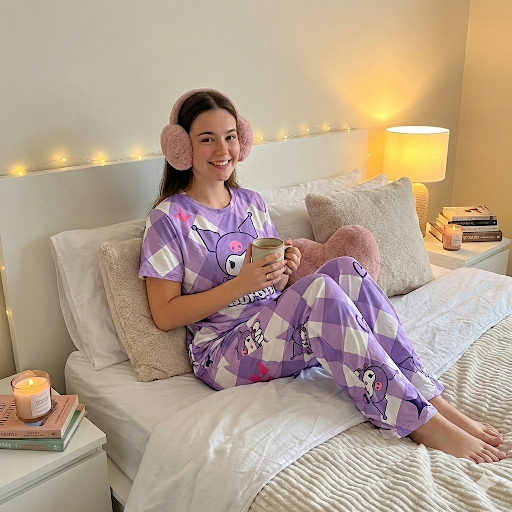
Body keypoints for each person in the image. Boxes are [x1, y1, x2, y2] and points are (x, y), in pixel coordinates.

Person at [139, 88, 506, 464]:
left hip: (270, 327)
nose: (223, 149)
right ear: (181, 147)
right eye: (207, 139)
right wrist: (240, 285)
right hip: (223, 352)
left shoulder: (251, 202)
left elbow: (272, 288)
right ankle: (419, 422)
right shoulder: (167, 219)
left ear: (242, 140)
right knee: (320, 291)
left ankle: (429, 397)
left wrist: (282, 271)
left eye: (230, 136)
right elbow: (165, 314)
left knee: (345, 269)